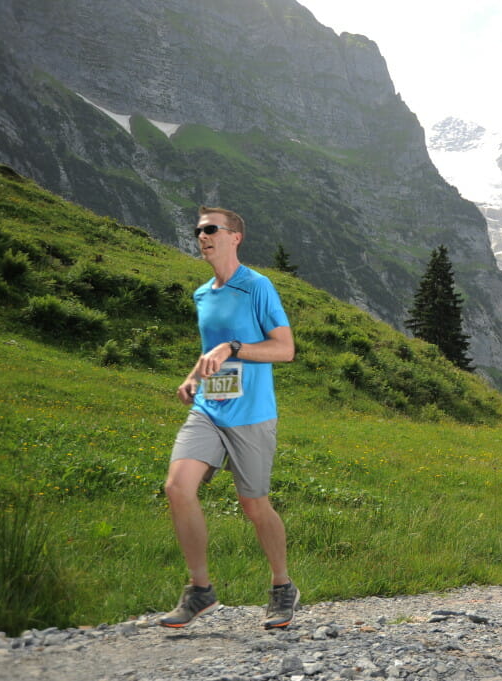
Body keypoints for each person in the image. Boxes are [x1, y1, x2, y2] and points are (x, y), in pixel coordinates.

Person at [159, 206, 298, 629]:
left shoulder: (257, 287)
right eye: (199, 230)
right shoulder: (203, 294)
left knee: (254, 506)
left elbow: (284, 349)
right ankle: (200, 590)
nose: (203, 236)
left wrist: (234, 348)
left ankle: (282, 587)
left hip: (251, 414)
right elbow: (211, 350)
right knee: (178, 487)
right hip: (209, 409)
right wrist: (192, 378)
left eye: (211, 229)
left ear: (234, 237)